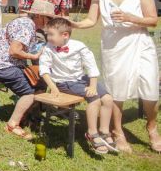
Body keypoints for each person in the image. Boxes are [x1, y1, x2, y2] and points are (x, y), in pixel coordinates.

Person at [72, 0, 159, 153]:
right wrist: (75, 24)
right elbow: (91, 21)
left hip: (140, 42)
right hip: (113, 45)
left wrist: (131, 17)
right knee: (116, 89)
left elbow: (153, 20)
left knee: (150, 87)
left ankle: (152, 126)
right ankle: (118, 131)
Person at [39, 17, 116, 154]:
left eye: (51, 34)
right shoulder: (48, 48)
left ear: (65, 35)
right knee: (95, 99)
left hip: (81, 79)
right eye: (47, 34)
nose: (48, 37)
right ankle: (92, 133)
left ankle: (104, 131)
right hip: (64, 82)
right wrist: (54, 87)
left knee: (108, 99)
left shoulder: (79, 46)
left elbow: (91, 66)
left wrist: (92, 86)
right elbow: (44, 70)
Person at [0, 0, 57, 140]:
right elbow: (14, 51)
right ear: (40, 16)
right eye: (49, 18)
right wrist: (33, 55)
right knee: (30, 92)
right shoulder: (27, 27)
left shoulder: (25, 23)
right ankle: (12, 124)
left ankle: (28, 116)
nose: (50, 22)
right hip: (2, 65)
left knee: (38, 83)